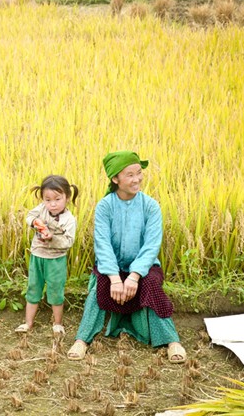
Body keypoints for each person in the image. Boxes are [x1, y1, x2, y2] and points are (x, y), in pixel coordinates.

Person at [67, 151, 186, 363]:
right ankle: (82, 340)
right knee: (99, 288)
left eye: (139, 173)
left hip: (144, 268)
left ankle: (171, 340)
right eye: (130, 175)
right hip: (111, 266)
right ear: (115, 179)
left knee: (151, 286)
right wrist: (114, 278)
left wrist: (134, 276)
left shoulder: (150, 206)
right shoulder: (105, 206)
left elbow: (151, 246)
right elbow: (102, 245)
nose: (137, 179)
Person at [15, 175, 78, 336]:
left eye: (57, 199)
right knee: (33, 288)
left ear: (67, 198)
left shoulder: (69, 220)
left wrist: (52, 237)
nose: (52, 204)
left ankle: (58, 323)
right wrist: (36, 223)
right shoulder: (41, 209)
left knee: (56, 290)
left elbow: (68, 242)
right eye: (47, 199)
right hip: (37, 256)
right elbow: (30, 216)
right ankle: (28, 322)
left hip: (56, 260)